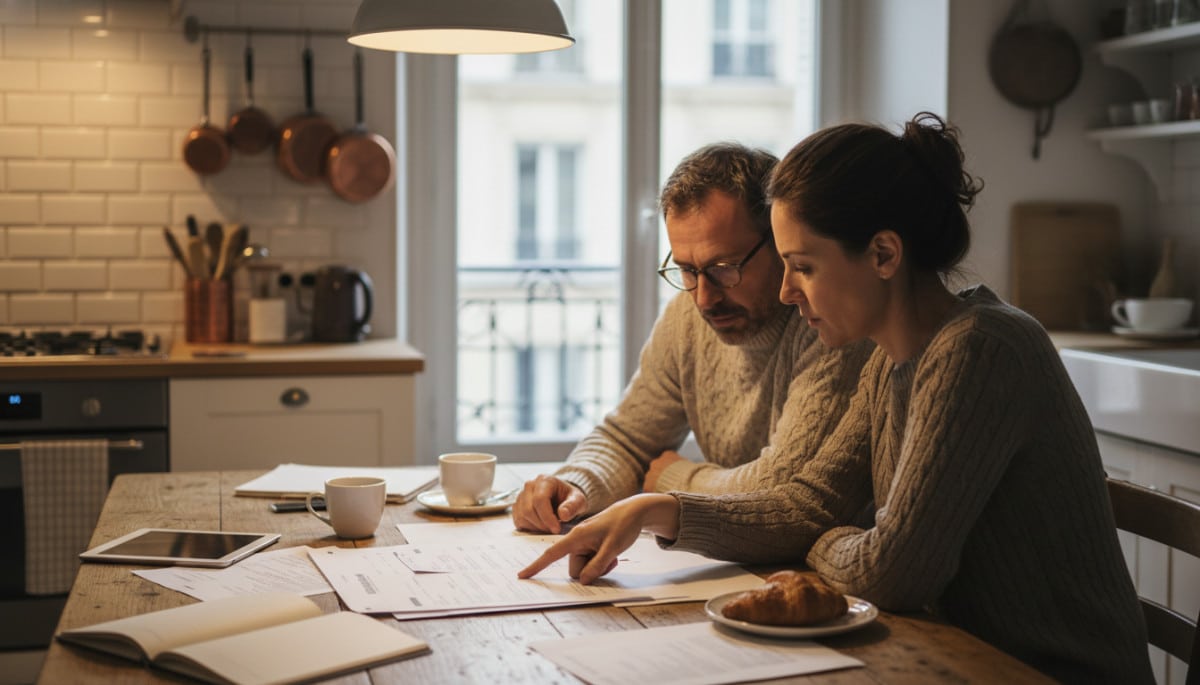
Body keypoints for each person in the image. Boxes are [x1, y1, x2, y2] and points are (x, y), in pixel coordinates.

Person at [520, 113, 1154, 685]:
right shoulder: (891, 360)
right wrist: (656, 511)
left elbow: (893, 572)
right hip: (959, 656)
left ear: (883, 254)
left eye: (804, 266)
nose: (790, 293)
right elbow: (810, 503)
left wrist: (831, 537)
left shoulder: (981, 348)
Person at [511, 142, 873, 534]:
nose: (704, 297)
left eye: (723, 269)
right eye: (686, 270)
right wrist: (574, 486)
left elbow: (783, 489)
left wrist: (674, 479)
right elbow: (629, 440)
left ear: (779, 244)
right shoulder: (687, 318)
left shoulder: (828, 322)